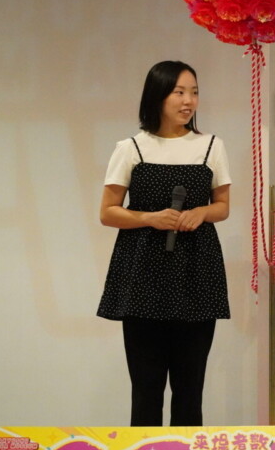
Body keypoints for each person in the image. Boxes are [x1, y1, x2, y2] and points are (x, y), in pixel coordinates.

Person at [97, 60, 230, 427]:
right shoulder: (131, 148)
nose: (189, 101)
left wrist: (201, 212)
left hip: (196, 272)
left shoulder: (211, 146)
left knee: (190, 389)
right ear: (157, 96)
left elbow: (222, 207)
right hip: (143, 274)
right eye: (179, 92)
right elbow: (108, 212)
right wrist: (148, 218)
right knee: (146, 388)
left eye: (194, 92)